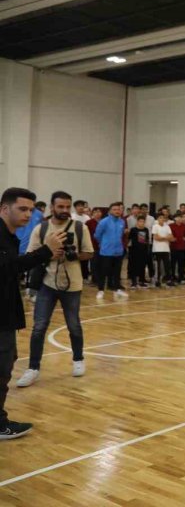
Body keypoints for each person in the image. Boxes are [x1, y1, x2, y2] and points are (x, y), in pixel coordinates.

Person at [1, 187, 65, 439]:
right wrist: (45, 251)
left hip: (6, 313)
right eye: (22, 209)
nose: (29, 214)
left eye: (31, 209)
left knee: (5, 364)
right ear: (5, 209)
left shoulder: (9, 235)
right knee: (2, 368)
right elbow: (7, 268)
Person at [16, 191, 93, 389]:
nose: (65, 210)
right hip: (47, 284)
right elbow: (30, 255)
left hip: (72, 284)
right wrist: (49, 254)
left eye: (68, 207)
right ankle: (33, 368)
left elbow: (89, 253)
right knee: (39, 327)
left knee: (73, 324)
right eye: (60, 207)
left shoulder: (79, 227)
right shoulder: (40, 229)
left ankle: (78, 359)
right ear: (52, 207)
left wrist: (73, 255)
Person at [94, 202, 128, 300]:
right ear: (110, 211)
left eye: (119, 209)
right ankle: (100, 290)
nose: (117, 211)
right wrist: (103, 243)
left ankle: (117, 289)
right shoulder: (104, 222)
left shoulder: (122, 222)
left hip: (118, 251)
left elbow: (121, 235)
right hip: (106, 251)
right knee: (103, 272)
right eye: (114, 209)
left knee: (117, 272)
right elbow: (97, 235)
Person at [151, 212, 175, 287]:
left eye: (163, 218)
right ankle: (157, 280)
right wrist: (165, 238)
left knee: (167, 265)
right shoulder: (155, 226)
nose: (162, 219)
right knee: (157, 266)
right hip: (157, 249)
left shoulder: (167, 226)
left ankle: (168, 279)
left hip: (166, 249)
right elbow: (156, 238)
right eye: (160, 218)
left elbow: (171, 237)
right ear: (157, 219)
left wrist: (163, 238)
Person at [127, 215, 151, 289]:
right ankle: (134, 282)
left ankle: (142, 280)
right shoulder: (133, 229)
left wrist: (145, 244)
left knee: (142, 266)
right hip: (134, 251)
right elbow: (129, 239)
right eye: (140, 221)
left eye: (143, 221)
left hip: (143, 250)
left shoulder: (146, 230)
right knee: (134, 266)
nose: (142, 223)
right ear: (137, 222)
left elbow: (146, 239)